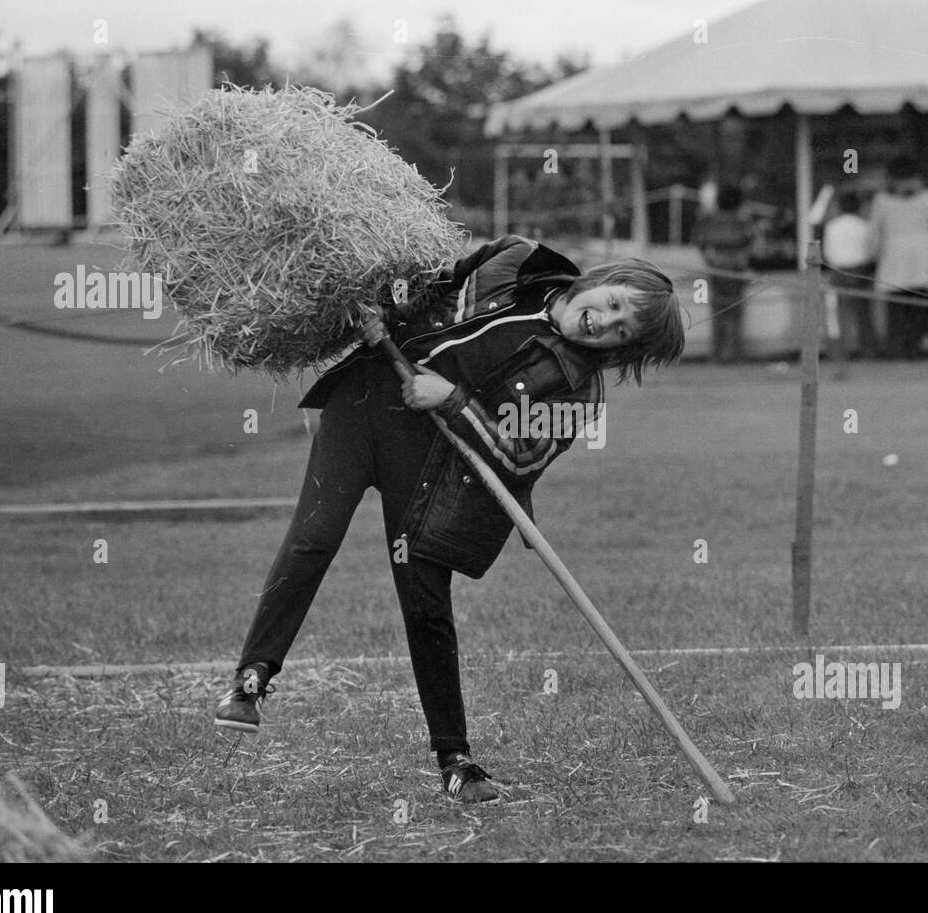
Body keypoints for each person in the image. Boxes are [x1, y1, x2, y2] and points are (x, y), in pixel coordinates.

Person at [211, 235, 685, 804]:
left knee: (426, 600)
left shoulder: (577, 389)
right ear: (604, 278)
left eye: (621, 331)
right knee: (313, 538)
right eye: (614, 304)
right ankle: (252, 679)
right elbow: (430, 281)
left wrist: (451, 400)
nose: (603, 322)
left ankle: (456, 761)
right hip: (365, 404)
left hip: (435, 467)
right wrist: (380, 310)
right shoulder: (518, 261)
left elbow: (519, 454)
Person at [868, 155, 928, 359]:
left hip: (893, 259)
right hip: (921, 258)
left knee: (896, 310)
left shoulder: (882, 200)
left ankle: (898, 351)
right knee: (917, 308)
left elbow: (874, 233)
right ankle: (913, 350)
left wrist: (873, 256)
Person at [692, 185, 755, 363]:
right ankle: (734, 353)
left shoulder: (709, 219)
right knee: (736, 311)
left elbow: (698, 240)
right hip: (736, 268)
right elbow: (751, 239)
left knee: (718, 310)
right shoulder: (741, 220)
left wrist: (709, 259)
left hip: (716, 267)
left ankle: (717, 354)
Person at [822, 191, 877, 358]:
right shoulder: (864, 225)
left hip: (838, 272)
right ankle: (869, 352)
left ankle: (840, 353)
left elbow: (827, 253)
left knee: (840, 316)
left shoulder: (832, 226)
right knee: (864, 315)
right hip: (861, 272)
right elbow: (871, 252)